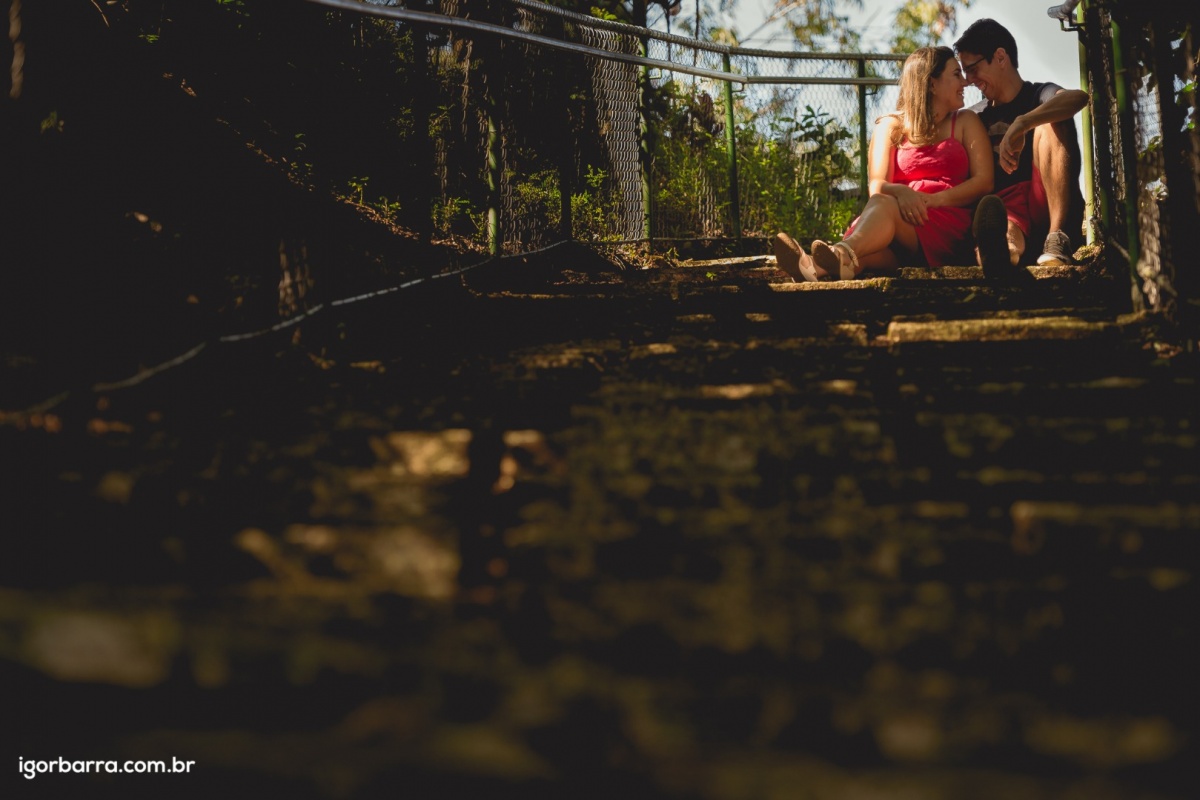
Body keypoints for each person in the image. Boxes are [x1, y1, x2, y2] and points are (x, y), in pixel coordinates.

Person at [773, 46, 995, 282]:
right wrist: (901, 191)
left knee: (882, 208)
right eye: (955, 74)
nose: (965, 82)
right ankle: (814, 269)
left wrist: (934, 200)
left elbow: (984, 182)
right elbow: (877, 184)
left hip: (946, 224)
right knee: (868, 252)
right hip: (896, 228)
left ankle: (838, 251)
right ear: (932, 84)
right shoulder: (890, 126)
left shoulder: (965, 121)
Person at [953, 18, 1088, 276]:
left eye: (972, 68)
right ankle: (1001, 257)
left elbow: (1078, 97)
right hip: (1008, 211)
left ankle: (1058, 238)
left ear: (1000, 57)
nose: (968, 80)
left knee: (1050, 119)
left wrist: (1024, 122)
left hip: (1046, 211)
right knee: (998, 223)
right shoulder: (972, 117)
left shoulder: (1039, 94)